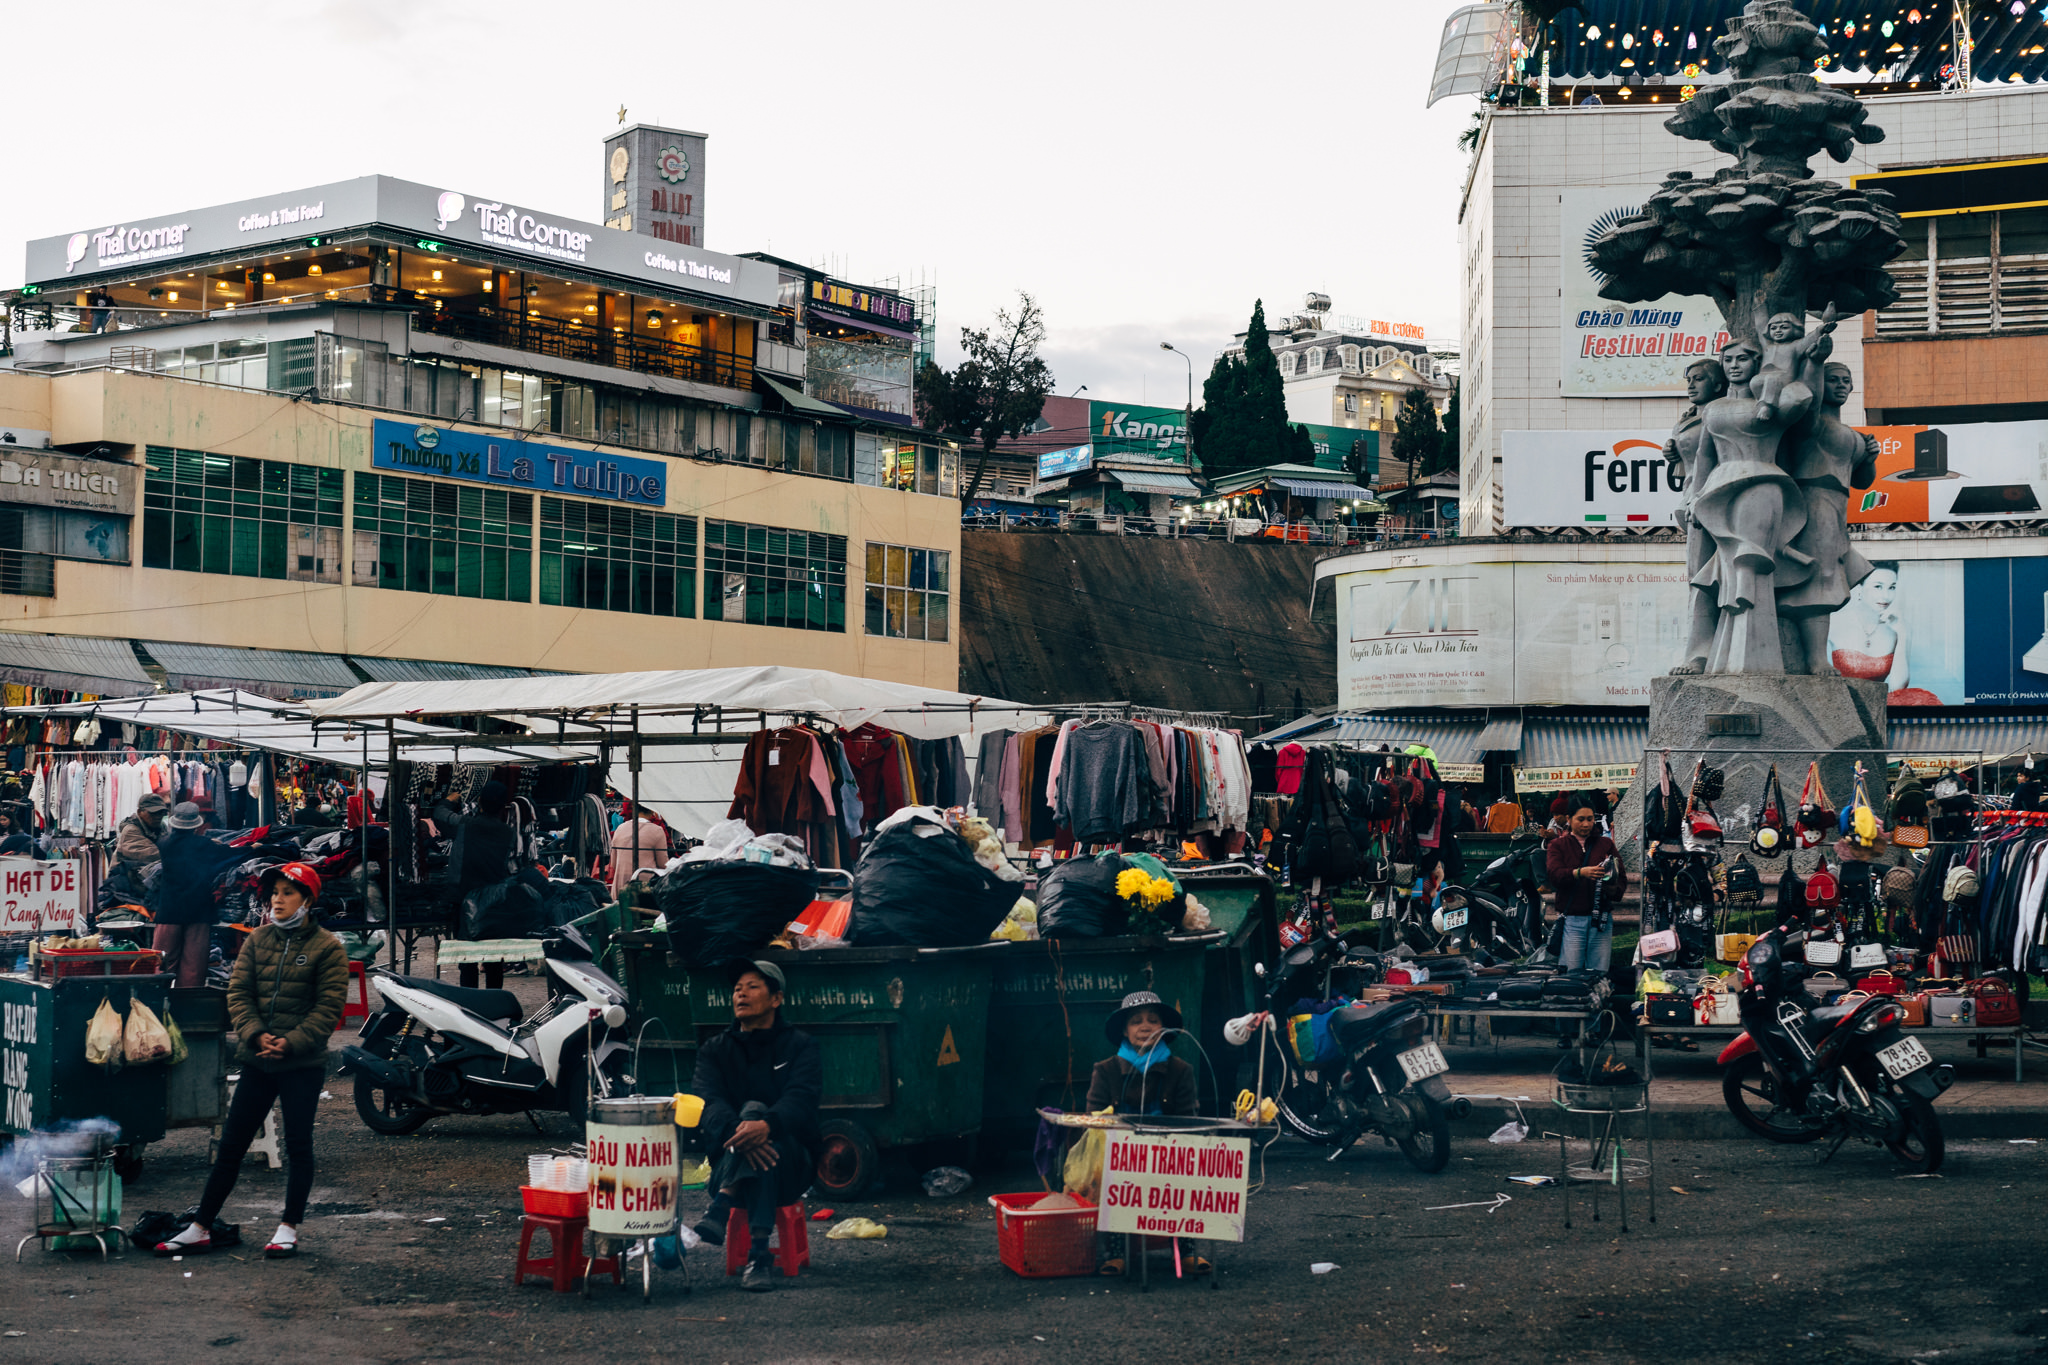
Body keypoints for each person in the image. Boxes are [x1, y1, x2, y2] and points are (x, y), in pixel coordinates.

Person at [155, 862, 347, 1261]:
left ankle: (288, 1227)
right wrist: (257, 1035)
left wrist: (289, 1043)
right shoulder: (257, 940)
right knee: (231, 1146)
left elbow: (328, 1009)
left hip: (302, 1063)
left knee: (299, 1146)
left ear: (307, 900)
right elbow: (238, 994)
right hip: (258, 1059)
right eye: (274, 892)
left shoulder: (327, 947)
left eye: (287, 893)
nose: (277, 899)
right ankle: (200, 1226)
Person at [687, 960, 821, 1292]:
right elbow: (707, 1102)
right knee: (753, 1126)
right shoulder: (715, 1049)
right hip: (727, 1161)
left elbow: (801, 1100)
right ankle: (759, 1255)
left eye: (753, 986)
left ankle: (720, 1206)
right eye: (737, 988)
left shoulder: (801, 1046)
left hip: (791, 1165)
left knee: (759, 1120)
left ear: (776, 999)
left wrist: (767, 1125)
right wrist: (744, 1131)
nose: (741, 994)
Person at [150, 802, 249, 989]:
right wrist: (255, 847)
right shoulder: (205, 845)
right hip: (198, 910)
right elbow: (231, 855)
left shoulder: (164, 843)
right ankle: (187, 1008)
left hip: (169, 910)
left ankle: (157, 1001)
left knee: (163, 961)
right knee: (193, 966)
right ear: (196, 825)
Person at [443, 781, 520, 991]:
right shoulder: (507, 832)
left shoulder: (467, 824)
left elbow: (441, 815)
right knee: (494, 958)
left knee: (467, 958)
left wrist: (450, 800)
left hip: (465, 899)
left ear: (480, 803)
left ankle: (471, 1004)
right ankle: (494, 1003)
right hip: (493, 900)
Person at [1086, 990, 1198, 1117]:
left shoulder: (1180, 1070)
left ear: (1163, 1028)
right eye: (1136, 1021)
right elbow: (1093, 1123)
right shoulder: (1105, 1070)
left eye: (1153, 1020)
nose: (1145, 1027)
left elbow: (1189, 1124)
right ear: (1125, 1031)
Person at [1545, 797, 1620, 972]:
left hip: (1601, 919)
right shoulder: (1558, 845)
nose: (1586, 824)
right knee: (1571, 973)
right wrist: (1579, 872)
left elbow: (1620, 876)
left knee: (1599, 972)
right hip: (1573, 919)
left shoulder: (1605, 844)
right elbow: (1554, 874)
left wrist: (1611, 884)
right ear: (1569, 819)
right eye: (1581, 819)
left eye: (1590, 819)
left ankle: (1599, 999)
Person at [609, 805, 669, 894]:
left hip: (621, 885)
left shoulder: (620, 829)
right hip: (645, 887)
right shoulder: (657, 830)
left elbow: (613, 863)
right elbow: (663, 864)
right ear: (652, 811)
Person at [116, 792, 171, 870]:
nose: (158, 816)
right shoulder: (130, 830)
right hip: (126, 878)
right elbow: (150, 855)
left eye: (161, 813)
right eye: (153, 813)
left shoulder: (161, 826)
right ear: (139, 812)